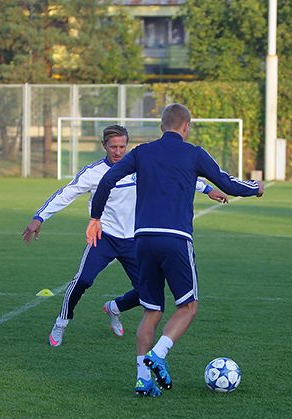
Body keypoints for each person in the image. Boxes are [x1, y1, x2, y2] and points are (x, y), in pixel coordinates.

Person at [87, 104, 263, 397]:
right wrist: (255, 188)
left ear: (161, 126)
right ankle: (158, 354)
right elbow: (228, 184)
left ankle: (143, 380)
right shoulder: (194, 153)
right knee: (188, 307)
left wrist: (95, 217)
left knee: (152, 311)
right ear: (187, 126)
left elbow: (107, 180)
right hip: (176, 239)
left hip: (142, 239)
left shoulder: (142, 152)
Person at [23, 124, 227, 348]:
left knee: (146, 293)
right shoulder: (93, 173)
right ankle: (62, 322)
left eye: (122, 146)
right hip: (104, 237)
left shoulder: (140, 164)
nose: (118, 151)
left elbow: (173, 173)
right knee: (82, 280)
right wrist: (39, 217)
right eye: (113, 147)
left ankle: (114, 308)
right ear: (104, 146)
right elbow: (66, 193)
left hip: (135, 241)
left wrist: (208, 189)